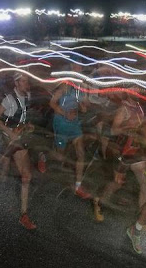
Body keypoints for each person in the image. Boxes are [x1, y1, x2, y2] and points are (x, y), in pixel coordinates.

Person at [0, 73, 39, 229]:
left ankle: (23, 215)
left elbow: (24, 116)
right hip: (9, 139)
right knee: (2, 177)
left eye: (27, 81)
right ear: (17, 83)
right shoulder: (9, 99)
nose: (27, 84)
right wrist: (10, 132)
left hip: (20, 139)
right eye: (24, 81)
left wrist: (28, 125)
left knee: (26, 176)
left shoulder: (28, 96)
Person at [93, 94, 146, 221]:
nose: (138, 91)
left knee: (144, 183)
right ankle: (99, 202)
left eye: (139, 89)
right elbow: (113, 131)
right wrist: (127, 127)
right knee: (117, 184)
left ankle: (140, 223)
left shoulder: (139, 108)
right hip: (123, 150)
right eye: (135, 89)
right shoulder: (123, 109)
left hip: (136, 149)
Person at [50, 63, 92, 199]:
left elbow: (84, 104)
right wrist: (64, 114)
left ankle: (78, 186)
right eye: (75, 68)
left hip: (74, 124)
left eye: (80, 68)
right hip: (61, 122)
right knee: (60, 155)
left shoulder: (81, 87)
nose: (78, 70)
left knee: (81, 153)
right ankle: (44, 155)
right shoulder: (65, 85)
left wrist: (84, 106)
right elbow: (52, 103)